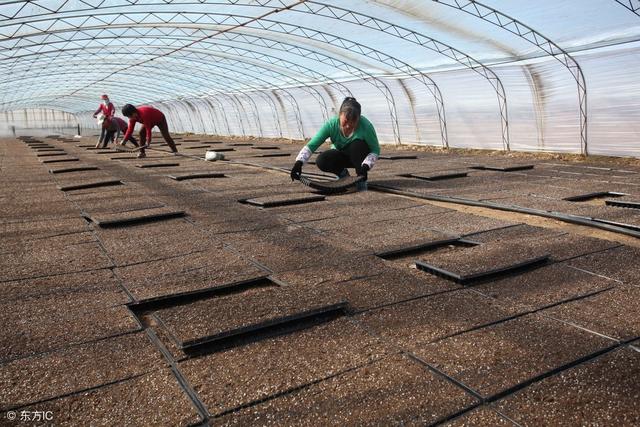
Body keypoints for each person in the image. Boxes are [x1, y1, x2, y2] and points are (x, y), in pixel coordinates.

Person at [290, 97, 380, 191]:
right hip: (341, 155)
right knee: (322, 160)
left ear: (359, 118)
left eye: (353, 122)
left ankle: (361, 181)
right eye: (345, 121)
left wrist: (365, 166)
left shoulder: (366, 126)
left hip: (360, 158)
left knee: (357, 145)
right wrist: (298, 163)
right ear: (340, 114)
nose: (348, 125)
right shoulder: (331, 125)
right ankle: (344, 175)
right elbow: (312, 145)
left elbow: (375, 150)